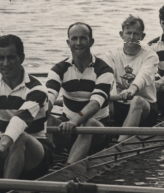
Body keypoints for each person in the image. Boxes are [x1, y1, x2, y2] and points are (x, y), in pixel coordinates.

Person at [0, 34, 53, 180]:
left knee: (20, 137)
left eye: (11, 57)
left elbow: (20, 120)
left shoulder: (37, 89)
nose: (5, 63)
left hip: (36, 151)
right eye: (1, 58)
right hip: (6, 147)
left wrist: (2, 146)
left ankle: (5, 189)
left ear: (21, 58)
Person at [45, 22, 114, 164]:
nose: (78, 43)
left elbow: (95, 103)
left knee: (87, 123)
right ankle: (45, 161)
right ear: (68, 42)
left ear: (91, 42)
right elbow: (49, 97)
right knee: (44, 117)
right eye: (74, 39)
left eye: (83, 38)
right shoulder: (58, 69)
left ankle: (68, 169)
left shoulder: (104, 70)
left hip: (98, 129)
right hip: (69, 128)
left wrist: (75, 121)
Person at [104, 15, 160, 128]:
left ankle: (121, 143)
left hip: (146, 108)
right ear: (121, 34)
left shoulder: (150, 56)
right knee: (102, 98)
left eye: (136, 34)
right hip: (119, 103)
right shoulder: (111, 54)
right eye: (128, 33)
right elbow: (106, 76)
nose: (132, 37)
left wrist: (131, 90)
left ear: (142, 36)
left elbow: (143, 76)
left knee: (137, 100)